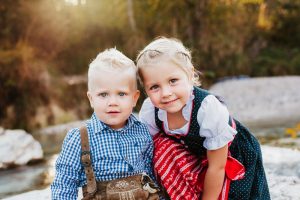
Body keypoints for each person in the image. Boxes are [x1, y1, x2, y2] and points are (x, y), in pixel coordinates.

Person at [137, 37, 270, 200]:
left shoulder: (207, 108)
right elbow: (145, 153)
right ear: (145, 89)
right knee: (158, 146)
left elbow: (217, 167)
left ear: (190, 74)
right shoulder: (151, 110)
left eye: (173, 81)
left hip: (227, 157)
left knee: (231, 193)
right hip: (196, 155)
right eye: (154, 87)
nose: (165, 93)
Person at [51, 48, 159, 200]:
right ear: (91, 99)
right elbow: (64, 184)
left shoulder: (142, 131)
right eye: (103, 94)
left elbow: (151, 177)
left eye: (121, 94)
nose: (112, 102)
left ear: (134, 98)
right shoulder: (79, 139)